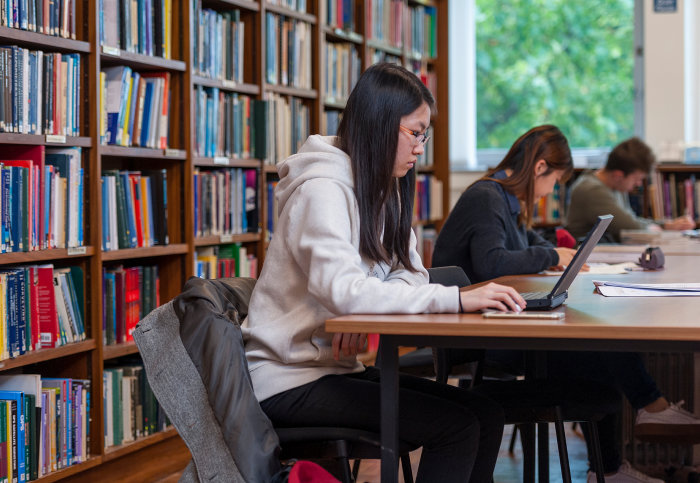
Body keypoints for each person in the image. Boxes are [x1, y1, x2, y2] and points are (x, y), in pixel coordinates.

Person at [241, 63, 526, 483]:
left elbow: (411, 272)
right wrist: (452, 299)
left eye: (424, 135)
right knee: (456, 426)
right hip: (287, 378)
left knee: (485, 411)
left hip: (332, 367)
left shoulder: (381, 186)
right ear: (379, 124)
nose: (420, 148)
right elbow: (344, 292)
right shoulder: (323, 189)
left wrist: (363, 308)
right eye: (415, 132)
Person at [433, 125, 700, 483]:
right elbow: (492, 263)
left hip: (499, 319)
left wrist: (560, 256)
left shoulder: (506, 203)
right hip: (478, 334)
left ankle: (613, 460)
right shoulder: (487, 197)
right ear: (540, 167)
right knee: (603, 344)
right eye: (555, 180)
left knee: (603, 344)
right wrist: (549, 253)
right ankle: (637, 427)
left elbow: (526, 247)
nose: (552, 191)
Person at [567, 137, 695, 242]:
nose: (638, 184)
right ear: (618, 175)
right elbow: (631, 227)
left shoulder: (615, 185)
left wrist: (667, 225)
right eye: (636, 179)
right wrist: (661, 226)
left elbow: (632, 220)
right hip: (590, 258)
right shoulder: (592, 190)